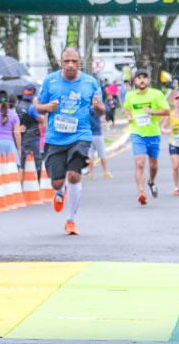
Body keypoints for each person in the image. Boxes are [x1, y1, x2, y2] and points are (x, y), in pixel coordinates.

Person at [35, 47, 104, 234]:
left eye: (74, 61)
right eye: (67, 62)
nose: (71, 65)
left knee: (74, 175)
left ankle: (71, 220)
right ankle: (59, 193)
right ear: (61, 62)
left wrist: (97, 106)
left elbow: (102, 110)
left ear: (80, 61)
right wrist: (47, 107)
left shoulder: (90, 83)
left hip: (80, 135)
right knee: (57, 182)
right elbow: (37, 106)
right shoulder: (50, 81)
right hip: (55, 138)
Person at [122, 68, 170, 205]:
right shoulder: (130, 96)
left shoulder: (156, 94)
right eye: (139, 78)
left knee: (153, 165)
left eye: (144, 77)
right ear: (135, 81)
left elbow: (167, 111)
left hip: (153, 134)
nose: (142, 80)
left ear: (148, 80)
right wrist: (128, 116)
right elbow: (126, 107)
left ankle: (151, 181)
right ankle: (141, 192)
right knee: (140, 163)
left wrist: (152, 111)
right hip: (137, 133)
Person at [15, 83, 43, 174]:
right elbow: (41, 120)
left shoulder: (19, 106)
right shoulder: (32, 107)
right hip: (32, 138)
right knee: (36, 162)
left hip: (23, 138)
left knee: (23, 163)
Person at [88, 103, 111, 178]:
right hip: (98, 134)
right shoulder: (97, 109)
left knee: (90, 155)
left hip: (89, 135)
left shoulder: (86, 109)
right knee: (102, 154)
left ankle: (91, 173)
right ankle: (105, 172)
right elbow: (107, 108)